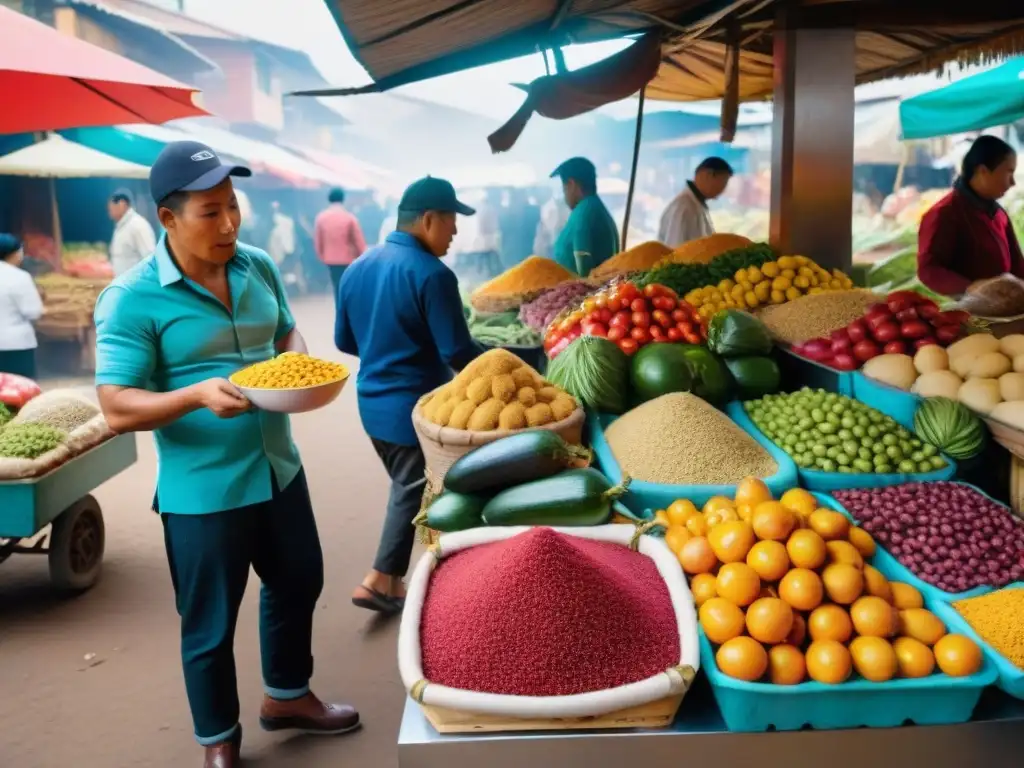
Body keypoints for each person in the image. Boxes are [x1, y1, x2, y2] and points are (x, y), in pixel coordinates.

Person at [92, 141, 359, 768]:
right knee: (209, 624)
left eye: (233, 207)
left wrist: (296, 359)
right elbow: (116, 406)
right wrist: (193, 395)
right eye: (210, 213)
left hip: (278, 466)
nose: (230, 224)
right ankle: (218, 738)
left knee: (298, 580)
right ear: (168, 218)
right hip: (203, 489)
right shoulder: (131, 298)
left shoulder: (257, 265)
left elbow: (286, 328)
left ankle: (287, 697)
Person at [335, 176, 483, 614]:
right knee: (413, 487)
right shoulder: (434, 275)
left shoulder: (357, 267)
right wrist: (507, 370)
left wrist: (386, 342)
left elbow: (345, 341)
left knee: (408, 487)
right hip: (412, 408)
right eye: (451, 222)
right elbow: (457, 350)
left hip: (370, 405)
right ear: (428, 219)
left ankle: (395, 581)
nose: (455, 232)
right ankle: (380, 578)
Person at [917, 135, 1024, 296]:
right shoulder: (944, 213)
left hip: (1002, 309)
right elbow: (929, 270)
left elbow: (1017, 266)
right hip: (966, 313)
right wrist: (972, 288)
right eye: (1009, 172)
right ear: (983, 171)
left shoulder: (999, 214)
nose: (1012, 182)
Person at [550, 157, 619, 276]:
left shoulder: (584, 211)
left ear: (571, 184)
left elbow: (582, 253)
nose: (564, 196)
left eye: (564, 189)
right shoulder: (595, 207)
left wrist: (585, 289)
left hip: (582, 292)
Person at [657, 157, 734, 247]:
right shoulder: (684, 207)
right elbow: (676, 249)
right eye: (723, 183)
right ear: (708, 175)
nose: (723, 190)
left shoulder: (695, 204)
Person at [314, 187, 367, 308]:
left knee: (336, 284)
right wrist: (363, 256)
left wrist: (321, 256)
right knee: (349, 284)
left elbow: (318, 240)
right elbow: (358, 240)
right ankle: (348, 307)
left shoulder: (321, 218)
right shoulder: (349, 218)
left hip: (330, 259)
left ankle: (340, 307)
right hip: (348, 259)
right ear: (344, 199)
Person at [0, 234, 43, 379]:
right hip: (16, 345)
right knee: (19, 392)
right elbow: (33, 311)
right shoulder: (20, 277)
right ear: (14, 253)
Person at [108, 189, 157, 277]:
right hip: (123, 285)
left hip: (136, 286)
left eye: (111, 208)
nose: (109, 211)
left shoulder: (138, 225)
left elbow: (149, 258)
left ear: (122, 204)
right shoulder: (120, 227)